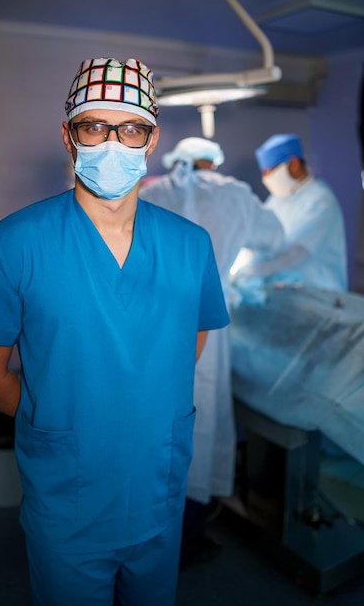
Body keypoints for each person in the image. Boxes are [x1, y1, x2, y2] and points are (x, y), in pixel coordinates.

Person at [0, 58, 229, 606]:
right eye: (94, 126)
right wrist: (58, 414)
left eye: (130, 129)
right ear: (68, 135)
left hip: (157, 484)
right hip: (68, 496)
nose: (112, 144)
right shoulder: (16, 242)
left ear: (152, 140)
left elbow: (187, 347)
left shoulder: (191, 244)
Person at [140, 136, 285, 565]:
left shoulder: (153, 192)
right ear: (213, 161)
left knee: (153, 425)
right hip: (208, 322)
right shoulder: (236, 194)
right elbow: (274, 237)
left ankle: (149, 535)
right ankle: (189, 535)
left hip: (152, 323)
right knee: (198, 429)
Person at [234, 133, 347, 291]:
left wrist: (253, 271)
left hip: (320, 297)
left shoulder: (320, 201)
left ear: (293, 164)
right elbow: (261, 239)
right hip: (285, 293)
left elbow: (296, 253)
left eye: (270, 171)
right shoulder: (277, 200)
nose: (266, 178)